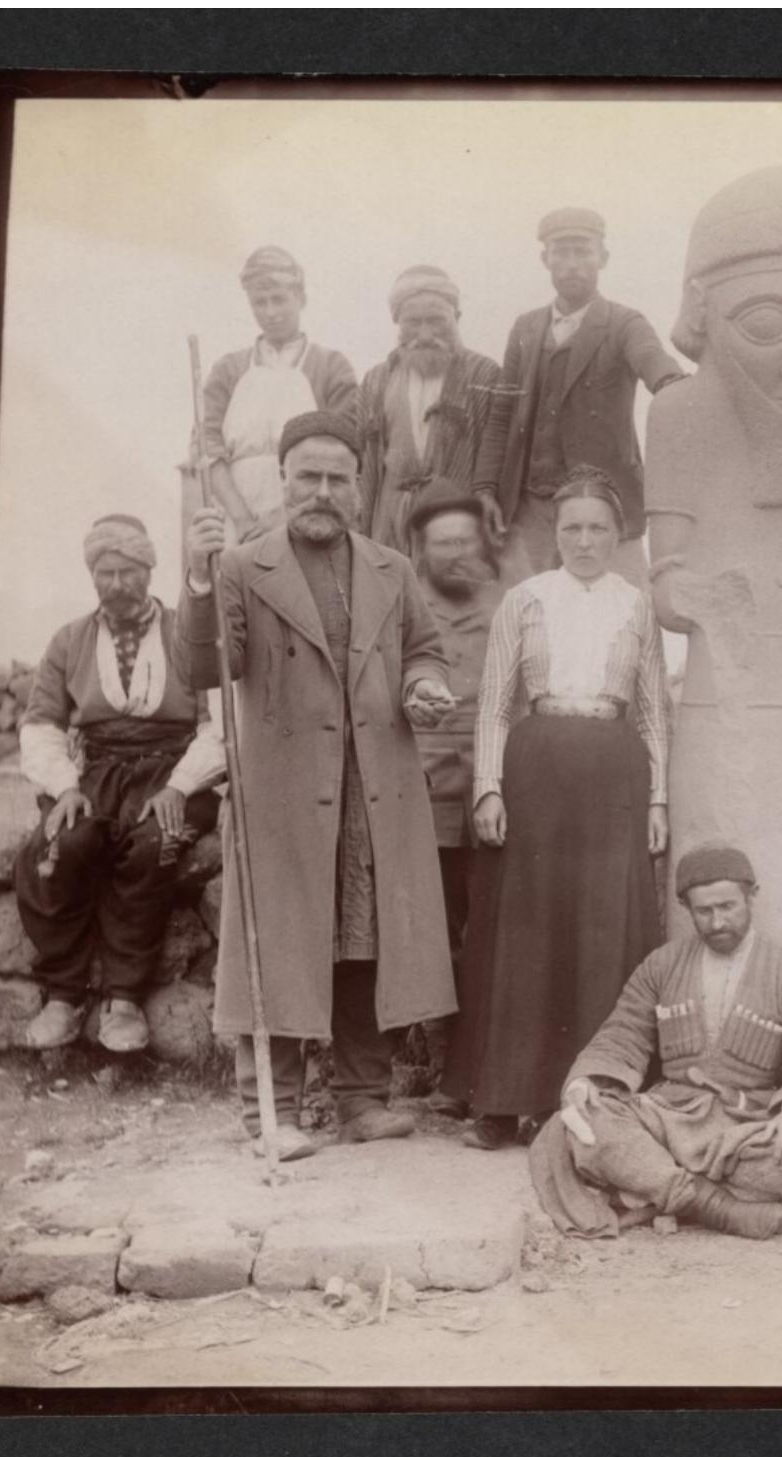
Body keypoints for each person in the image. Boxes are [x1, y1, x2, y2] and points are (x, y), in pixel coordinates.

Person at [182, 411, 459, 1161]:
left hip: (373, 786)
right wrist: (199, 579)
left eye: (339, 478)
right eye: (309, 476)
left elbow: (424, 651)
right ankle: (269, 1113)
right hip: (282, 793)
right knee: (279, 942)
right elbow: (205, 668)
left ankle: (361, 1100)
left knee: (364, 939)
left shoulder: (391, 569)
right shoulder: (242, 567)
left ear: (360, 488)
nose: (323, 492)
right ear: (282, 480)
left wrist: (423, 686)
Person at [443, 466, 673, 1149]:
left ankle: (577, 1101)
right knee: (528, 931)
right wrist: (488, 787)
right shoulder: (525, 600)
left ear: (618, 535)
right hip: (537, 768)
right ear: (556, 533)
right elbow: (494, 702)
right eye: (572, 528)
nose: (584, 541)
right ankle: (501, 1101)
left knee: (599, 931)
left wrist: (659, 798)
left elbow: (654, 710)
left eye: (597, 529)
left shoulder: (638, 606)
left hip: (613, 773)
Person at [529, 843, 782, 1240]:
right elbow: (622, 1034)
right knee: (580, 1120)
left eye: (727, 907)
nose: (717, 922)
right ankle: (713, 1207)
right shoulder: (661, 965)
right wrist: (586, 1082)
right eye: (703, 911)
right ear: (686, 907)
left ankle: (648, 1187)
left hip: (743, 1124)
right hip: (669, 1115)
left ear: (751, 896)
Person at [15, 515, 226, 1053]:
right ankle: (64, 995)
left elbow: (220, 723)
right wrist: (66, 787)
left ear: (149, 570)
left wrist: (180, 786)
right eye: (104, 573)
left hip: (174, 770)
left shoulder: (187, 632)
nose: (116, 584)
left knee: (154, 846)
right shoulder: (69, 641)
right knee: (60, 846)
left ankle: (125, 999)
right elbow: (41, 727)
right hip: (96, 773)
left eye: (128, 571)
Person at [492, 208, 686, 589]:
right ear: (545, 259)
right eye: (561, 253)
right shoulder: (525, 328)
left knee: (625, 607)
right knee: (530, 610)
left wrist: (671, 383)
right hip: (531, 511)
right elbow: (501, 413)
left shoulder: (624, 323)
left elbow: (652, 359)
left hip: (606, 505)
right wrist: (486, 490)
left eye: (582, 252)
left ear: (603, 258)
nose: (572, 264)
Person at [406, 477, 506, 1114]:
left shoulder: (511, 604)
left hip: (497, 792)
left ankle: (494, 1068)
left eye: (466, 541)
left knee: (496, 935)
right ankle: (449, 1070)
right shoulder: (405, 610)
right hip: (429, 795)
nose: (457, 554)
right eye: (443, 543)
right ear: (421, 549)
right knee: (437, 938)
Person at [196, 246, 359, 543]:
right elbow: (206, 447)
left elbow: (342, 450)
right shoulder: (228, 370)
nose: (270, 313)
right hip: (237, 519)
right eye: (260, 303)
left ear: (301, 298)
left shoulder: (331, 367)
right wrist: (243, 520)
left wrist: (282, 519)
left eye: (279, 300)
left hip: (308, 515)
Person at [355, 265, 508, 560]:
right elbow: (364, 465)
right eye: (413, 322)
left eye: (437, 320)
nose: (425, 334)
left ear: (457, 318)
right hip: (388, 522)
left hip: (458, 520)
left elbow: (496, 461)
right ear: (397, 322)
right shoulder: (375, 381)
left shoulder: (485, 375)